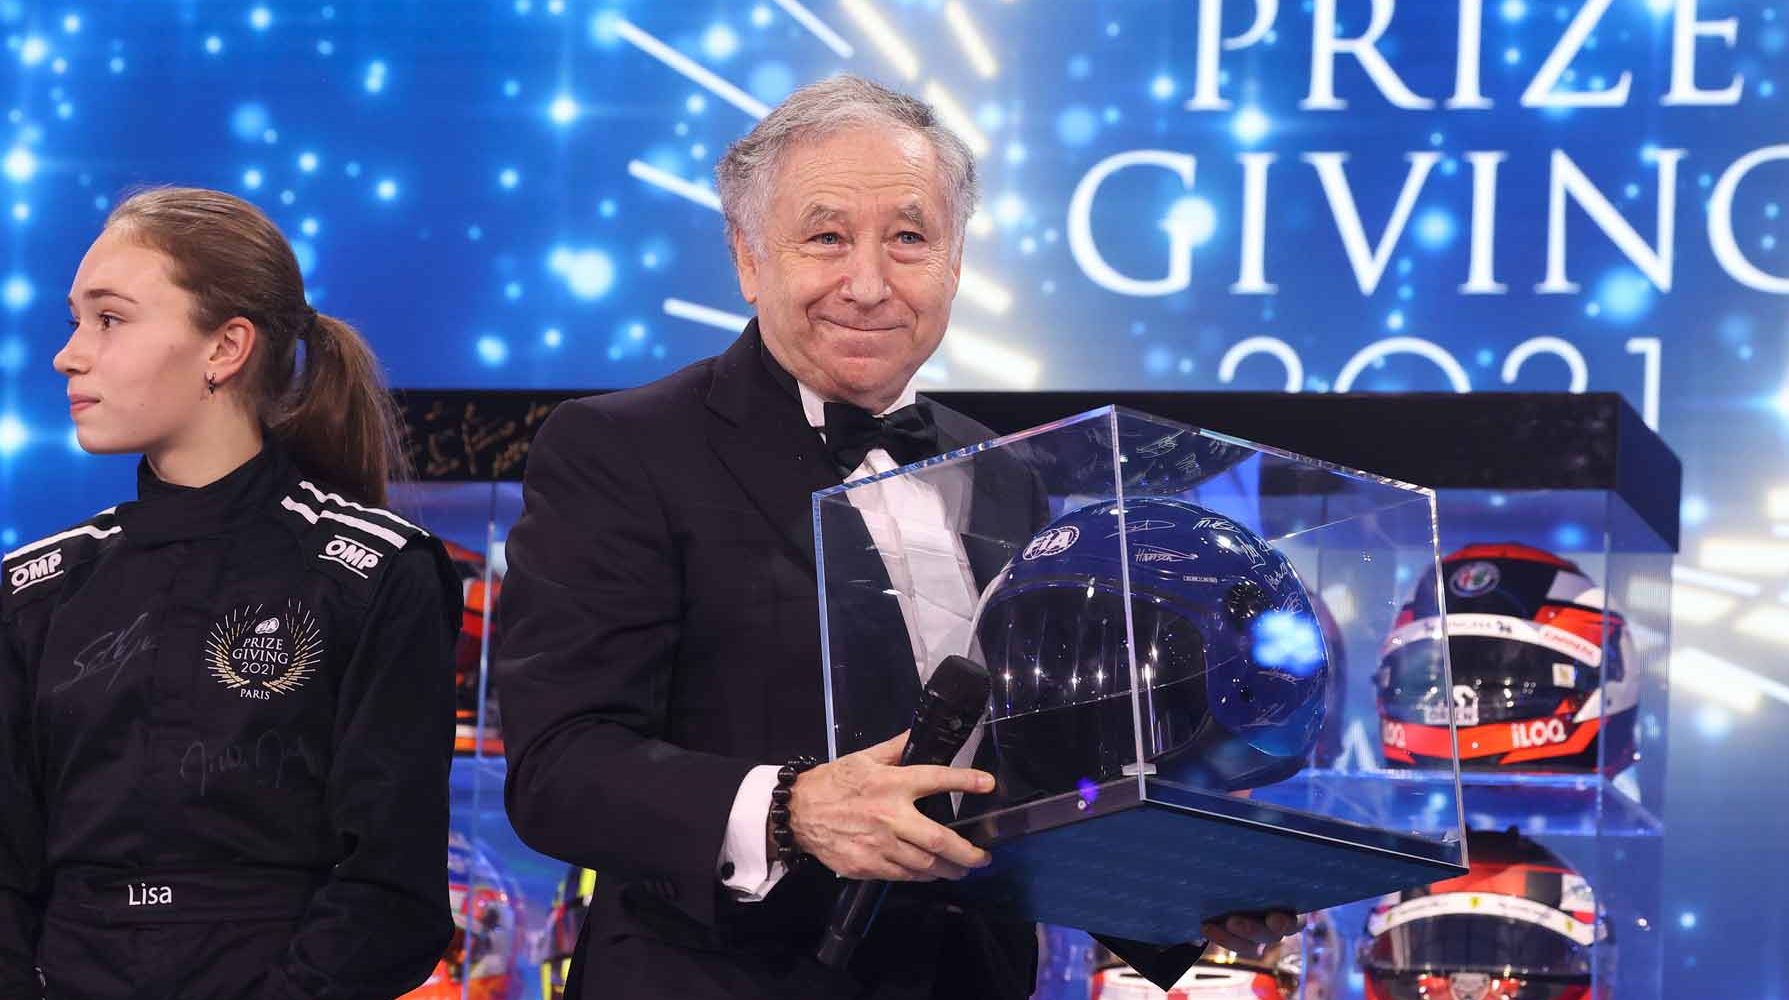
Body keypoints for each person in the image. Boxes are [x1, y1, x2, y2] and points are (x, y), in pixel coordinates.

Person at [495, 76, 1298, 1000]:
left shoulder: (1005, 474)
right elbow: (559, 767)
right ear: (749, 259)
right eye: (826, 236)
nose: (868, 284)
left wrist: (1170, 892)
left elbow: (1024, 767)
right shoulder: (622, 450)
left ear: (956, 265)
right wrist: (792, 810)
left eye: (910, 238)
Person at [0, 187, 461, 999]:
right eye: (73, 320)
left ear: (226, 347)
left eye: (108, 319)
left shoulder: (377, 574)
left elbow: (392, 894)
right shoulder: (34, 593)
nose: (68, 355)